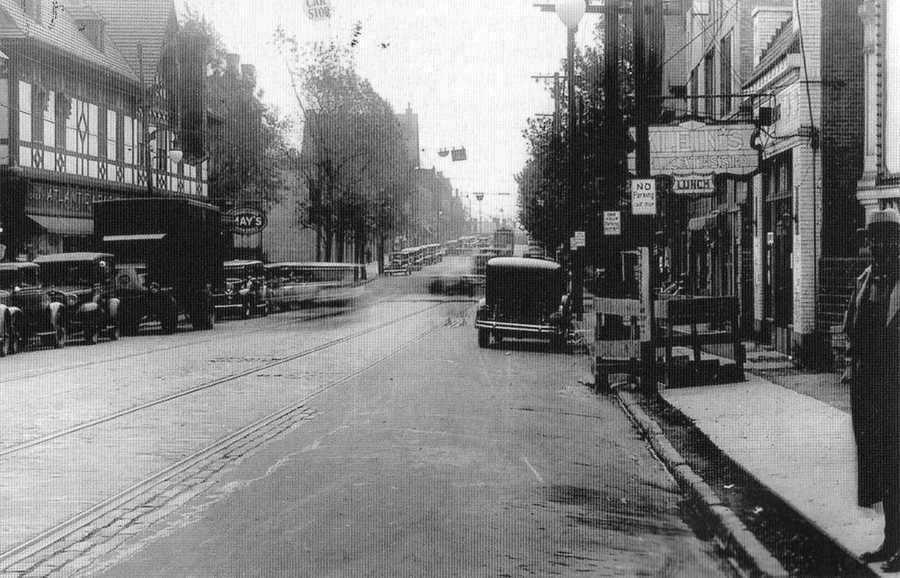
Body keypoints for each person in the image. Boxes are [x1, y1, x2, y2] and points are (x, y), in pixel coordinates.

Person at [843, 208, 900, 570]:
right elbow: (852, 329)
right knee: (882, 467)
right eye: (874, 239)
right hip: (871, 390)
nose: (880, 246)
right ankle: (891, 541)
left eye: (889, 239)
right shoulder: (865, 280)